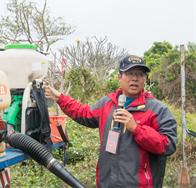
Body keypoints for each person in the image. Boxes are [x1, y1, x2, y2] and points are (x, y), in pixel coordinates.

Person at [44, 55, 177, 188]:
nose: (134, 78)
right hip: (107, 182)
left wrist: (136, 129)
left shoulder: (158, 110)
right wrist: (60, 98)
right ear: (119, 77)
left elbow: (168, 145)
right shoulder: (107, 103)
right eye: (129, 73)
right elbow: (85, 113)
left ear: (145, 79)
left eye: (139, 74)